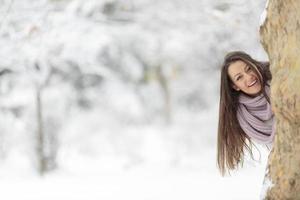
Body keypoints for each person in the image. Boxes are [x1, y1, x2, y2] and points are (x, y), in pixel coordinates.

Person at [217, 51, 276, 175]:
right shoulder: (244, 117)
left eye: (249, 69)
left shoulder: (278, 81)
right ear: (235, 86)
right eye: (239, 77)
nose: (249, 77)